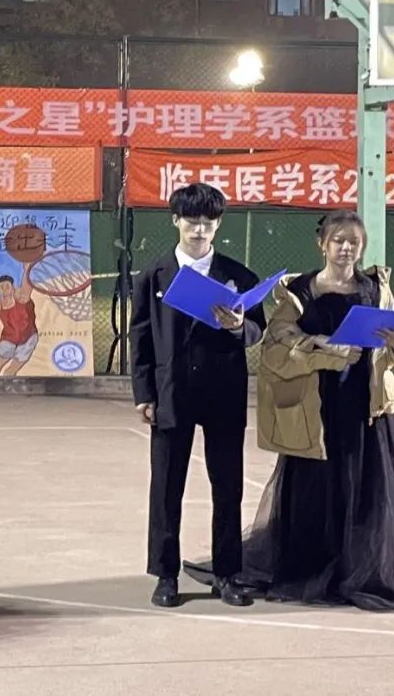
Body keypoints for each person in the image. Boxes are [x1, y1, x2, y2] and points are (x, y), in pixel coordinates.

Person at [184, 210, 394, 611]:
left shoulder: (375, 288)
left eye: (354, 241)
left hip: (368, 409)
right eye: (338, 240)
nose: (346, 248)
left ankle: (363, 571)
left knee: (367, 492)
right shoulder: (298, 291)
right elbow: (277, 346)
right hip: (316, 409)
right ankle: (314, 568)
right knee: (315, 492)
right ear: (322, 244)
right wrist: (324, 349)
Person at [129, 182, 266, 608]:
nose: (200, 230)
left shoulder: (239, 276)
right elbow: (140, 336)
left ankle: (227, 574)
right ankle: (165, 574)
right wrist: (144, 392)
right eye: (192, 221)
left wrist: (238, 327)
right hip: (172, 392)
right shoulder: (153, 275)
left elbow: (257, 330)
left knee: (228, 487)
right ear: (176, 221)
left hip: (223, 392)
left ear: (218, 224)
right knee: (166, 487)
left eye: (208, 222)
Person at [0, 266, 39, 376]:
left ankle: (7, 385)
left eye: (7, 286)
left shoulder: (22, 297)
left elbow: (27, 285)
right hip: (9, 339)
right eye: (1, 287)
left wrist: (27, 268)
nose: (4, 289)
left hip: (28, 337)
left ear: (13, 287)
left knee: (11, 371)